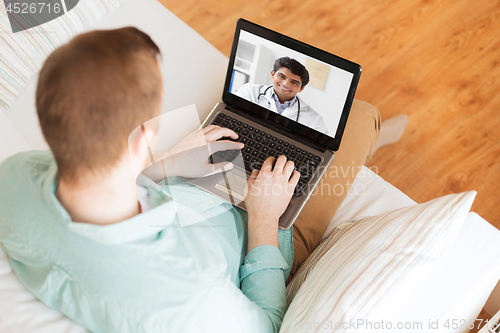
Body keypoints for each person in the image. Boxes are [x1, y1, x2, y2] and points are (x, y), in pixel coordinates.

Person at [0, 28, 383, 332]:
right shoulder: (193, 304)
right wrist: (264, 219)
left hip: (189, 185)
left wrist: (163, 165)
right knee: (363, 116)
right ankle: (377, 137)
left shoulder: (13, 177)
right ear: (142, 138)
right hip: (260, 231)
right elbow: (268, 324)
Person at [235, 57, 329, 134]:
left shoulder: (314, 120)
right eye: (281, 76)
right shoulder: (249, 91)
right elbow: (234, 116)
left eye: (294, 82)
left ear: (301, 88)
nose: (286, 84)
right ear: (273, 74)